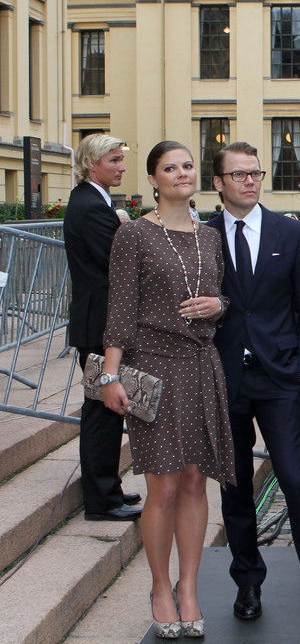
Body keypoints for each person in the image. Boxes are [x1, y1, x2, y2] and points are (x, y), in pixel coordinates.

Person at [207, 142, 300, 624]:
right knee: (234, 488)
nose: (249, 181)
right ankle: (248, 583)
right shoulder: (203, 237)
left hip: (280, 379)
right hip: (223, 377)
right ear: (219, 183)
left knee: (297, 478)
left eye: (255, 172)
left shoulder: (288, 234)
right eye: (238, 174)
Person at [101, 141, 235, 638]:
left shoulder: (211, 237)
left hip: (202, 367)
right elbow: (120, 309)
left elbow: (222, 295)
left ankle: (189, 587)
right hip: (154, 369)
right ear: (153, 180)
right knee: (163, 484)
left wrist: (217, 306)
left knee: (197, 481)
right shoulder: (134, 235)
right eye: (169, 167)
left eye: (187, 165)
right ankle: (160, 587)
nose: (181, 173)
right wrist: (111, 376)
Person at [65, 134, 142, 523]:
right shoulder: (91, 206)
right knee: (102, 410)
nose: (122, 166)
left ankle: (107, 488)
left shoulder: (94, 200)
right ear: (94, 163)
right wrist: (124, 226)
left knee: (108, 410)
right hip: (98, 325)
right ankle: (101, 499)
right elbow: (119, 261)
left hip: (99, 320)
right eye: (114, 160)